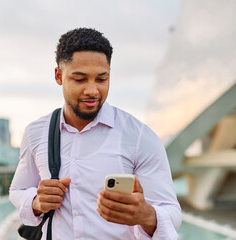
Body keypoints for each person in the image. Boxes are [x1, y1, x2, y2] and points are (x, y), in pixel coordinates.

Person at [9, 28, 182, 240]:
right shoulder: (36, 133)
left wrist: (147, 215)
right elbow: (18, 190)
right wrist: (35, 202)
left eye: (101, 79)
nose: (92, 90)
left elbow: (172, 212)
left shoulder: (140, 137)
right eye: (80, 79)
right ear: (58, 76)